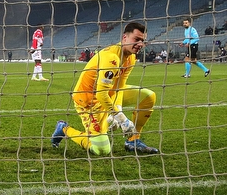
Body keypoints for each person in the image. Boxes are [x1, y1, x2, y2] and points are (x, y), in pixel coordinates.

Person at [52, 21, 158, 155]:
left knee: (148, 97)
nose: (140, 44)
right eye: (136, 39)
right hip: (89, 101)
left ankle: (132, 141)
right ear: (124, 38)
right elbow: (100, 94)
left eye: (143, 41)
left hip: (106, 95)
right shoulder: (111, 58)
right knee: (101, 150)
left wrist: (117, 111)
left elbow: (119, 87)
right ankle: (64, 129)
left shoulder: (130, 57)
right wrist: (121, 118)